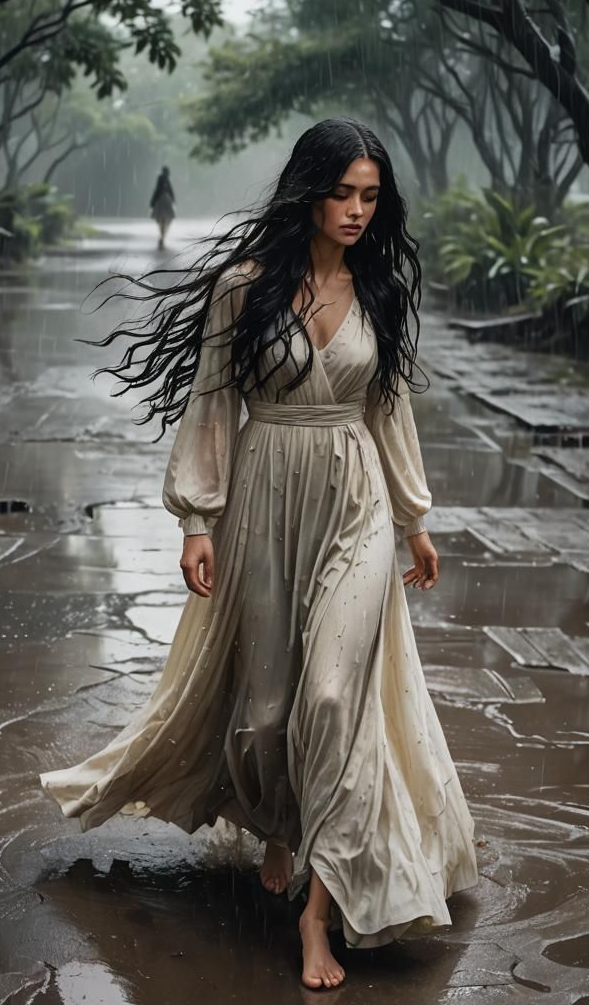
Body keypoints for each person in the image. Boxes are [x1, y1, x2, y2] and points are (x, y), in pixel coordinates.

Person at [40, 118, 480, 991]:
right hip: (264, 497)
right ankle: (281, 823)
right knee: (270, 707)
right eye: (342, 192)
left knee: (331, 696)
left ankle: (320, 916)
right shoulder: (245, 288)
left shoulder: (381, 293)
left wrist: (415, 519)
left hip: (352, 503)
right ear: (309, 190)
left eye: (370, 197)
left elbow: (389, 411)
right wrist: (196, 521)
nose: (357, 211)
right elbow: (211, 401)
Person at [150, 165, 175, 249]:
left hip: (160, 200)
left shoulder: (161, 178)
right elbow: (170, 191)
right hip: (166, 200)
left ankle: (161, 236)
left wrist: (153, 201)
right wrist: (173, 199)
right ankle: (162, 237)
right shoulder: (166, 180)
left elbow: (157, 190)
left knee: (160, 220)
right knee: (167, 219)